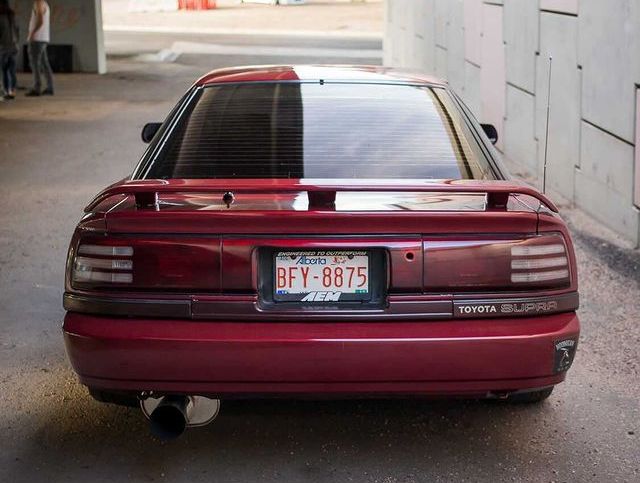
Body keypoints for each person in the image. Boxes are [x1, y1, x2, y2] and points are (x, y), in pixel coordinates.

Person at [26, 0, 53, 97]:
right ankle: (50, 87)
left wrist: (32, 33)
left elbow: (40, 20)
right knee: (44, 63)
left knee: (35, 64)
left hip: (37, 38)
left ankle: (37, 87)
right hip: (43, 38)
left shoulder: (38, 3)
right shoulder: (44, 3)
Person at [0, 0, 18, 100]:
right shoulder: (13, 17)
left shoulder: (1, 18)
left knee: (4, 71)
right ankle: (13, 91)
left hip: (4, 48)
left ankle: (6, 91)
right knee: (12, 71)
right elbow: (17, 31)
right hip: (14, 47)